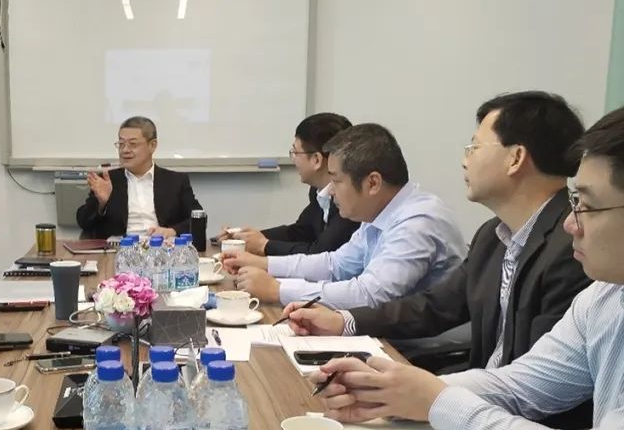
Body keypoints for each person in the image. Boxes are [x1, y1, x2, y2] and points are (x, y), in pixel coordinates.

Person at [314, 107, 624, 430]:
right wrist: (391, 390)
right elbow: (519, 385)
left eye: (586, 205)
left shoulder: (577, 264)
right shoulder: (604, 294)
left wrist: (437, 400)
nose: (572, 223)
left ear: (516, 158)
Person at [285, 92, 589, 373]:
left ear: (516, 158)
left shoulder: (572, 248)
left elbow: (539, 382)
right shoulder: (493, 236)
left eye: (474, 147)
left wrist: (429, 391)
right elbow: (433, 307)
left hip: (506, 406)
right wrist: (344, 321)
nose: (464, 160)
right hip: (479, 391)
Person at [222, 123, 466, 308]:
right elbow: (335, 265)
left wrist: (278, 290)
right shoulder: (380, 213)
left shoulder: (418, 221)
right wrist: (265, 265)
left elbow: (369, 295)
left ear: (372, 183)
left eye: (336, 181)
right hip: (383, 334)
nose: (330, 191)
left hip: (421, 350)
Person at [219, 113, 358, 256]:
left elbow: (321, 253)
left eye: (295, 152)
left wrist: (264, 246)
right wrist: (247, 237)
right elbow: (300, 232)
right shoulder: (317, 191)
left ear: (316, 160)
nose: (293, 159)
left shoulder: (349, 199)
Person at [75, 116, 203, 239]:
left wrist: (171, 231)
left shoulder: (175, 181)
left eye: (133, 144)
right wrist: (101, 204)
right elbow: (84, 222)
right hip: (119, 249)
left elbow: (199, 218)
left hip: (162, 248)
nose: (125, 150)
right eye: (121, 144)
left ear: (152, 145)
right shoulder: (108, 180)